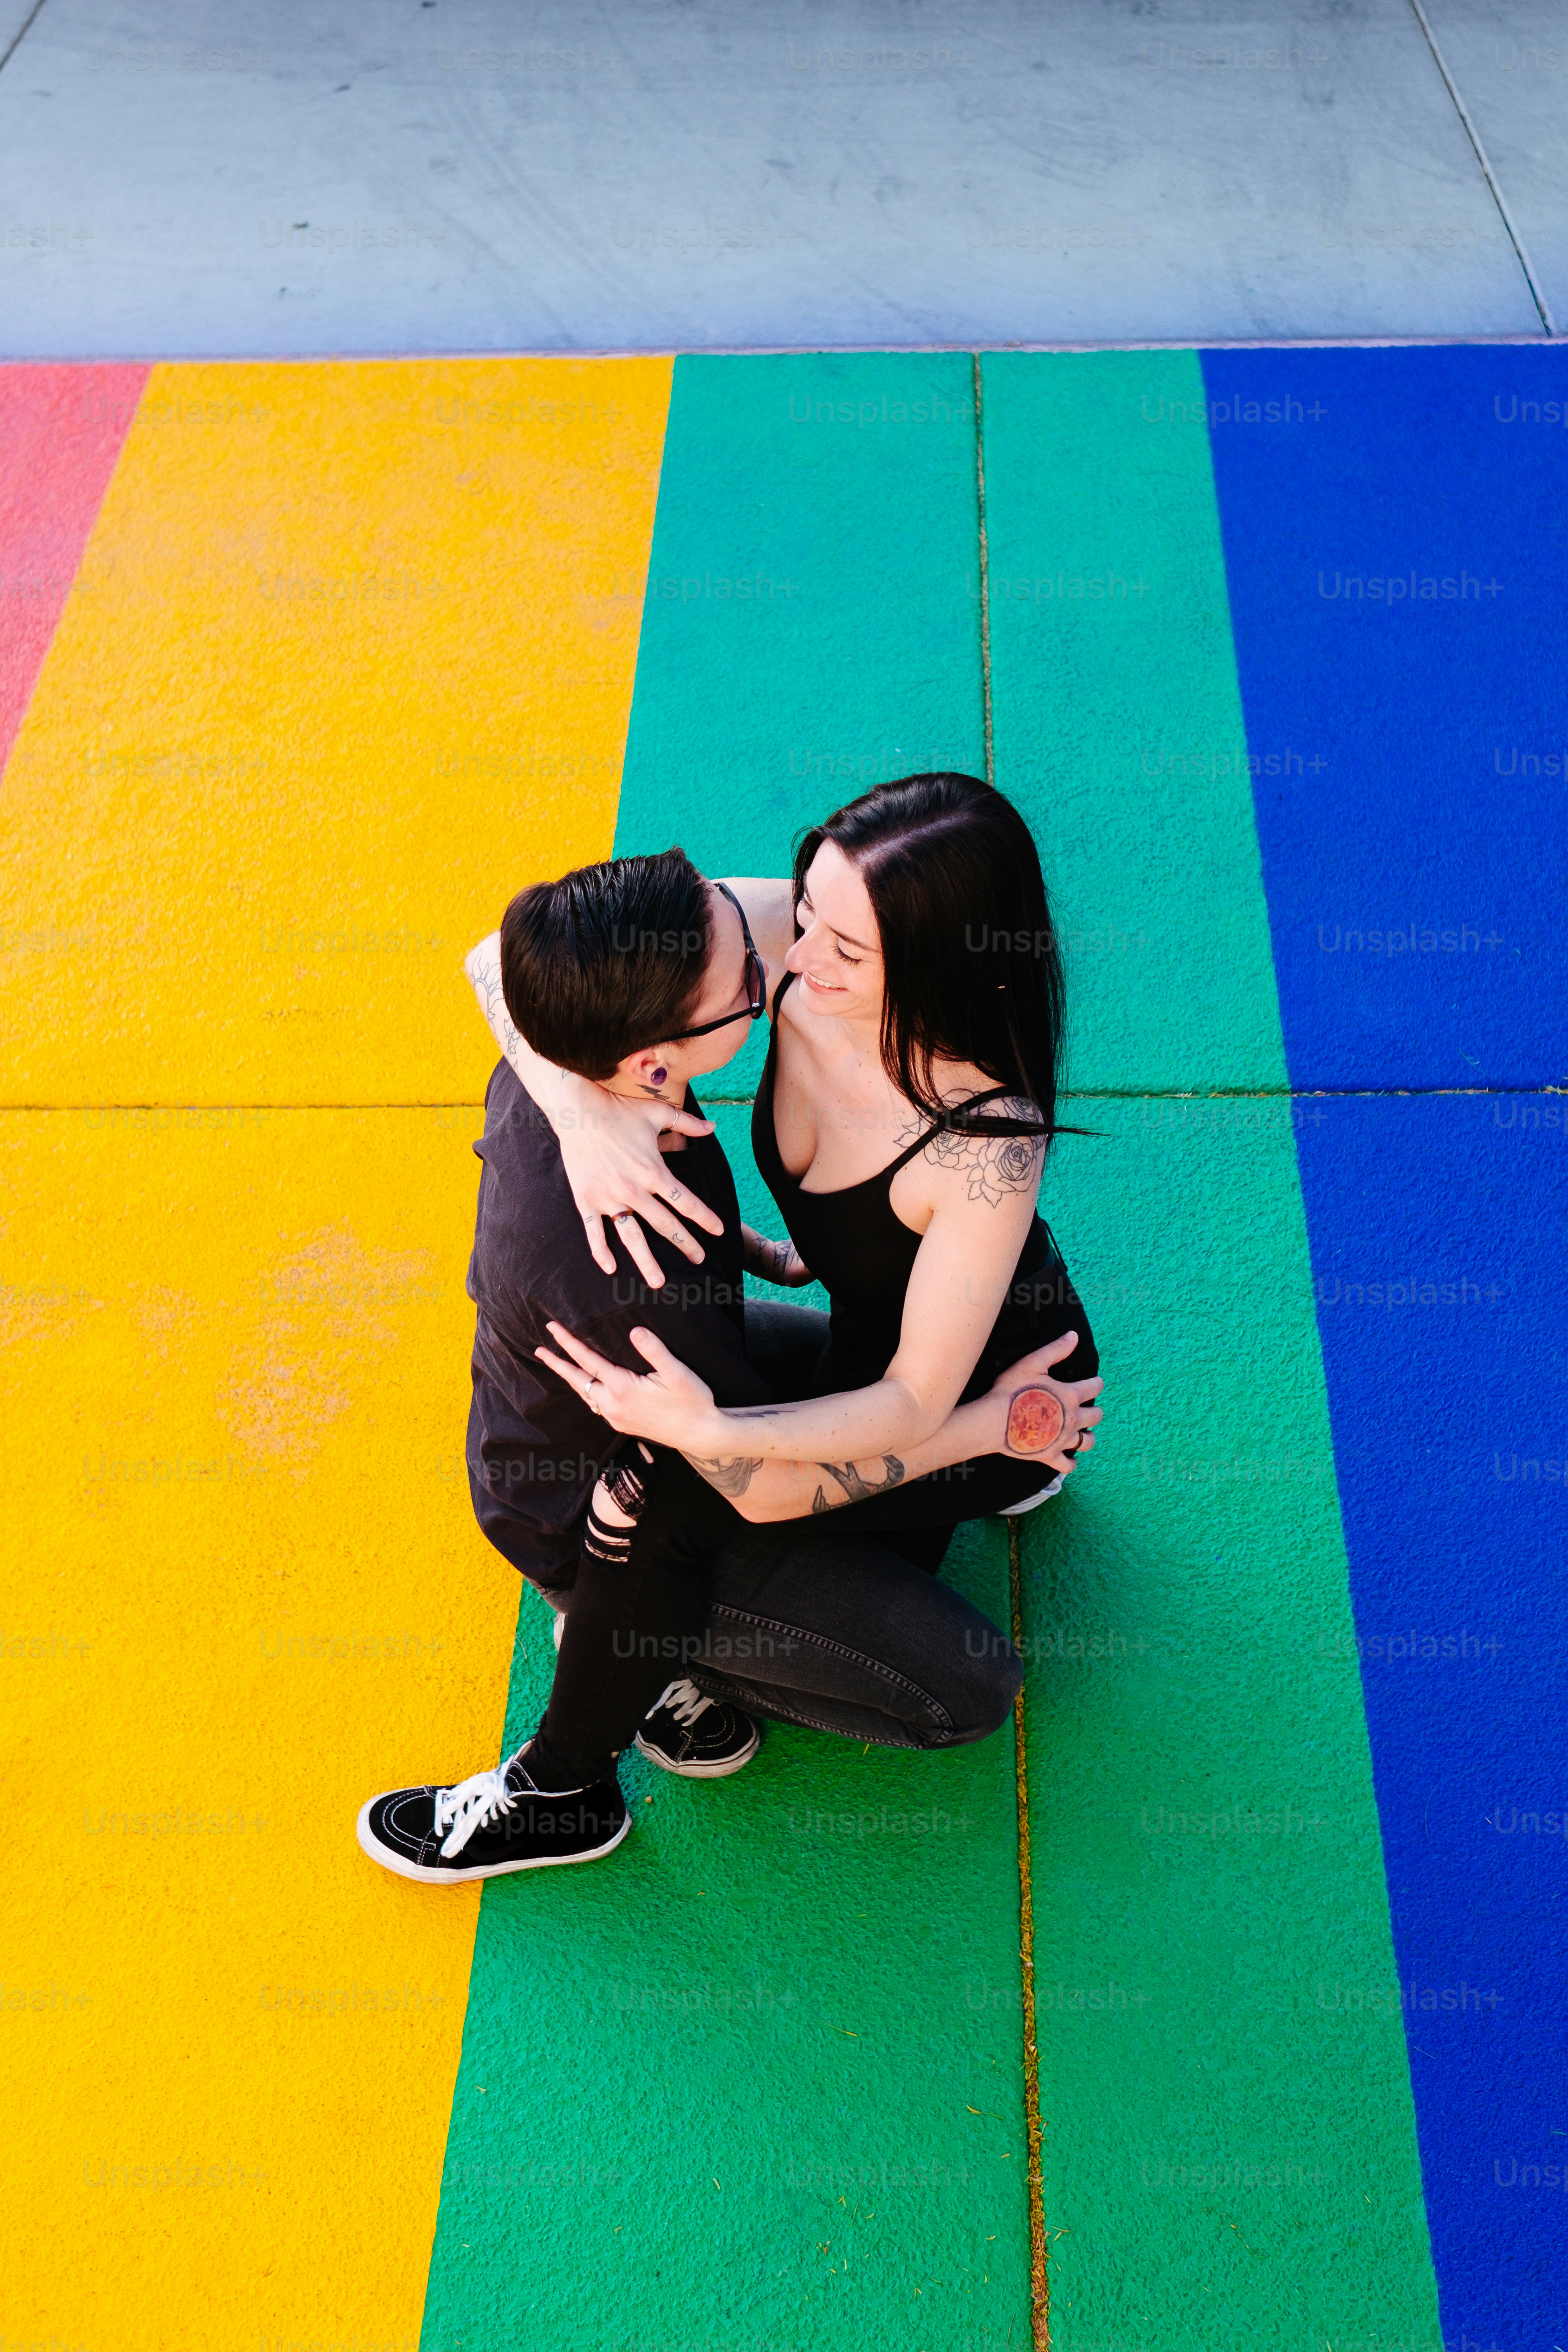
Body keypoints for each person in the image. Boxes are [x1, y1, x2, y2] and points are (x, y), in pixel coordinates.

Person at [356, 788, 1101, 1887]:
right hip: (864, 1355)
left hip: (964, 1400)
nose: (795, 952)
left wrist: (998, 1427)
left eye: (843, 946)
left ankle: (596, 1728)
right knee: (668, 1472)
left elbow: (905, 1404)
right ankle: (579, 1751)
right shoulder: (800, 936)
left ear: (938, 964)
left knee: (714, 1507)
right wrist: (584, 1108)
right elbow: (505, 958)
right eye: (803, 911)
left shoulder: (983, 1140)